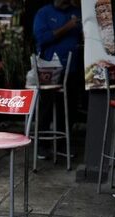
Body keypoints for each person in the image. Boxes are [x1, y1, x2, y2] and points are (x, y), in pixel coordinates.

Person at [33, 0, 82, 158]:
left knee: (69, 107)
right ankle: (42, 144)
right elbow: (42, 38)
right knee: (46, 106)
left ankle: (61, 145)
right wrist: (68, 27)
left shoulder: (77, 12)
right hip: (48, 67)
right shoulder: (44, 13)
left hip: (73, 67)